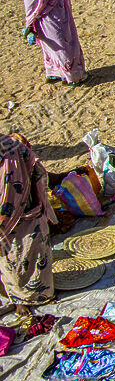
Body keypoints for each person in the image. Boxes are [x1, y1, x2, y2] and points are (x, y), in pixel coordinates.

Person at [0, 134, 56, 317]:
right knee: (14, 256)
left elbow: (36, 170)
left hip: (22, 212)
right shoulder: (12, 148)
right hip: (19, 210)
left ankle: (25, 298)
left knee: (23, 252)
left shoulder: (11, 150)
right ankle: (18, 297)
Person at [21, 0, 87, 86]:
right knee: (57, 46)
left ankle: (64, 73)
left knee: (65, 41)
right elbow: (31, 4)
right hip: (45, 20)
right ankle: (69, 76)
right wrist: (30, 24)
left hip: (60, 14)